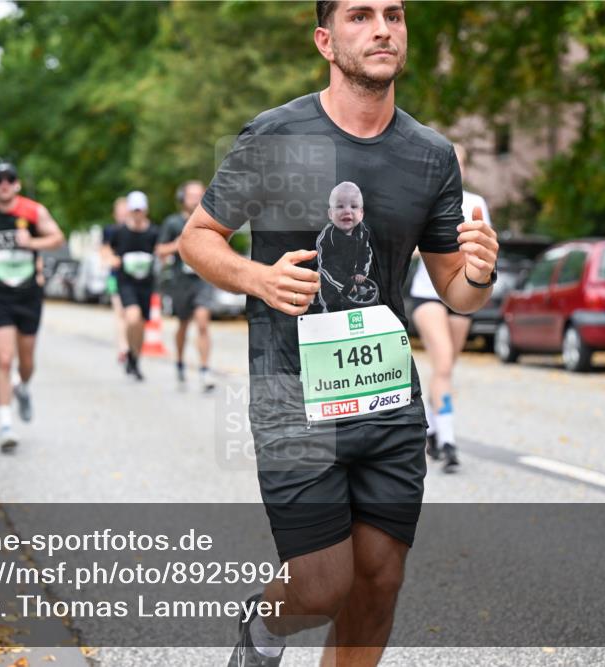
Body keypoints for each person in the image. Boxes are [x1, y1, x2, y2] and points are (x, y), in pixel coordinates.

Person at [178, 2, 499, 665]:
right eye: (360, 16)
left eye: (394, 15)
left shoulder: (431, 155)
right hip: (292, 395)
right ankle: (263, 631)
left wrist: (480, 272)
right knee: (322, 586)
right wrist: (258, 278)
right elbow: (198, 238)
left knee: (379, 582)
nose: (382, 28)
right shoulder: (275, 135)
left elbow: (455, 289)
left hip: (386, 395)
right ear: (326, 41)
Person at [0, 163, 65, 451]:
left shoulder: (33, 211)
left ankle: (22, 387)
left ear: (17, 184)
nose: (4, 184)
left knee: (26, 362)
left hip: (28, 295)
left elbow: (57, 238)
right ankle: (5, 425)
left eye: (9, 179)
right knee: (4, 359)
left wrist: (32, 241)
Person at [410, 144, 493, 472]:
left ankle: (431, 427)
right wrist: (434, 246)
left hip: (464, 292)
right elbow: (406, 246)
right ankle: (447, 440)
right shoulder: (422, 198)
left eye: (460, 163)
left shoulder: (475, 203)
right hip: (428, 293)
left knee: (445, 369)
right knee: (443, 363)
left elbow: (486, 247)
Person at [157, 180, 217, 391]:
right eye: (191, 196)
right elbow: (160, 250)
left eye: (199, 195)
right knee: (183, 324)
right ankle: (180, 364)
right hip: (181, 281)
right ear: (182, 199)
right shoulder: (172, 223)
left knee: (202, 322)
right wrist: (179, 244)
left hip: (203, 279)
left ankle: (205, 370)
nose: (195, 200)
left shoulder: (211, 220)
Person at [103, 190, 159, 382]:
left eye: (140, 210)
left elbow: (160, 249)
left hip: (145, 283)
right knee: (131, 316)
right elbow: (106, 249)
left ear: (145, 210)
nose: (137, 214)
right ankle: (126, 349)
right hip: (125, 282)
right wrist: (112, 259)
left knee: (141, 324)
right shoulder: (119, 231)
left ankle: (135, 358)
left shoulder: (153, 232)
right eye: (134, 210)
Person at [316, 181, 378, 312]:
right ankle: (326, 311)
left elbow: (365, 252)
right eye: (340, 206)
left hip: (351, 275)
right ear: (330, 214)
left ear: (361, 213)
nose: (347, 211)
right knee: (332, 306)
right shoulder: (328, 236)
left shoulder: (362, 231)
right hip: (331, 281)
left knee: (354, 307)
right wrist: (346, 283)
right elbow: (326, 266)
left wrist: (361, 271)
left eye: (354, 206)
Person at [101, 197, 130, 364]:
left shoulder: (136, 231)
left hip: (133, 279)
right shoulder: (110, 231)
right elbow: (104, 251)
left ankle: (130, 345)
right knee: (120, 312)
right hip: (115, 276)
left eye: (126, 213)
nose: (123, 216)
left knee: (131, 314)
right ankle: (123, 347)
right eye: (121, 213)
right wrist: (112, 259)